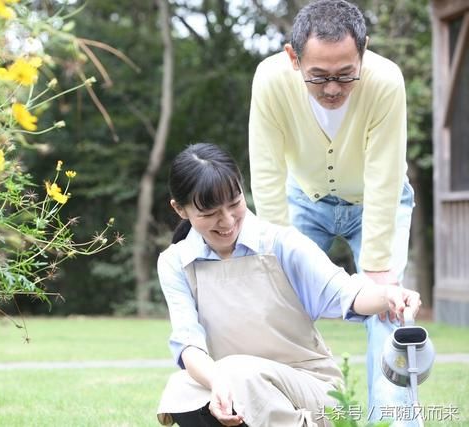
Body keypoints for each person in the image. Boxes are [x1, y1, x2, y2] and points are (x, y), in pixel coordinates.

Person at [156, 143, 420, 427]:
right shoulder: (175, 262)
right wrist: (217, 380)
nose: (228, 220)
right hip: (234, 383)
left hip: (311, 388)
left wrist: (390, 295)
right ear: (179, 209)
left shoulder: (280, 243)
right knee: (180, 389)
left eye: (234, 203)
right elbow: (189, 345)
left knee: (235, 372)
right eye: (210, 213)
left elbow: (347, 293)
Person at [247, 0, 415, 422]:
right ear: (293, 57)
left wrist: (377, 272)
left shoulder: (386, 81)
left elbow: (384, 176)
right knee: (279, 301)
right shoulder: (269, 80)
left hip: (378, 201)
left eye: (345, 74)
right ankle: (286, 414)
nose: (333, 88)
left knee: (388, 308)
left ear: (364, 51)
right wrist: (275, 254)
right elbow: (266, 171)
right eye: (318, 76)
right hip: (304, 199)